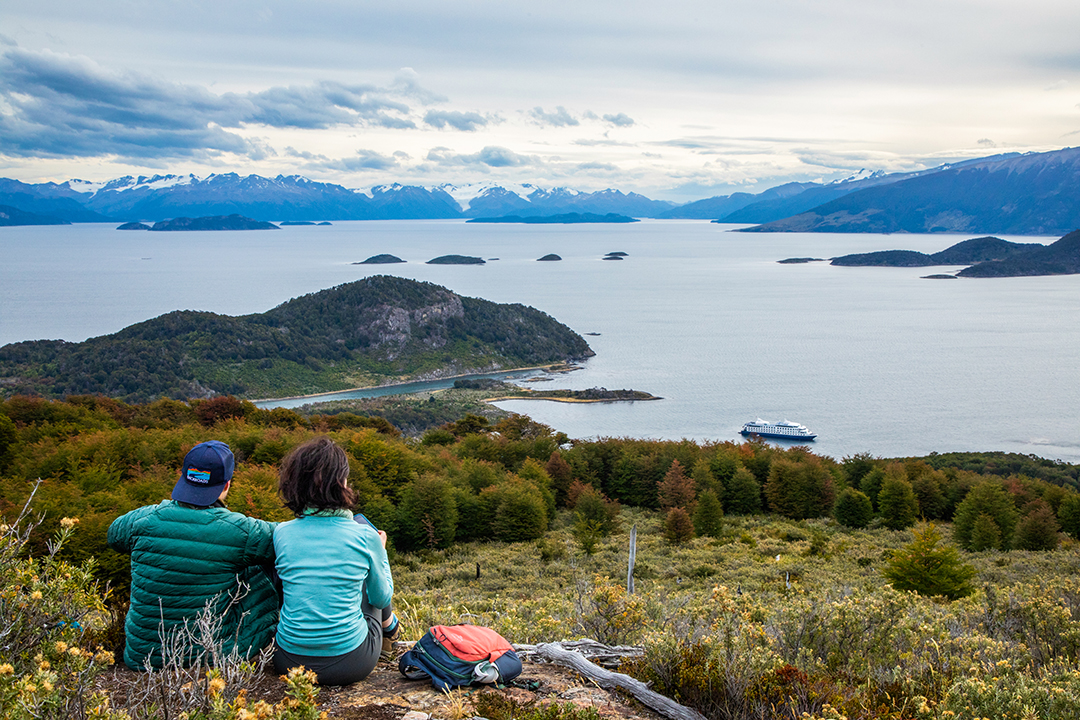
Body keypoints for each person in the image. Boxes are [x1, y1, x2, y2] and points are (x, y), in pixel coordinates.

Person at [107, 440, 279, 670]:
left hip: (143, 656)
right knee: (260, 564)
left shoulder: (143, 518)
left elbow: (114, 536)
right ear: (227, 484)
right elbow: (289, 541)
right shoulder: (241, 530)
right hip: (210, 655)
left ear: (184, 476)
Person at [272, 436, 399, 685]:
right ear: (341, 482)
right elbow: (381, 598)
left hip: (287, 662)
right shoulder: (364, 536)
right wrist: (380, 552)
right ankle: (390, 633)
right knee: (369, 580)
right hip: (351, 663)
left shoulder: (282, 532)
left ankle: (390, 629)